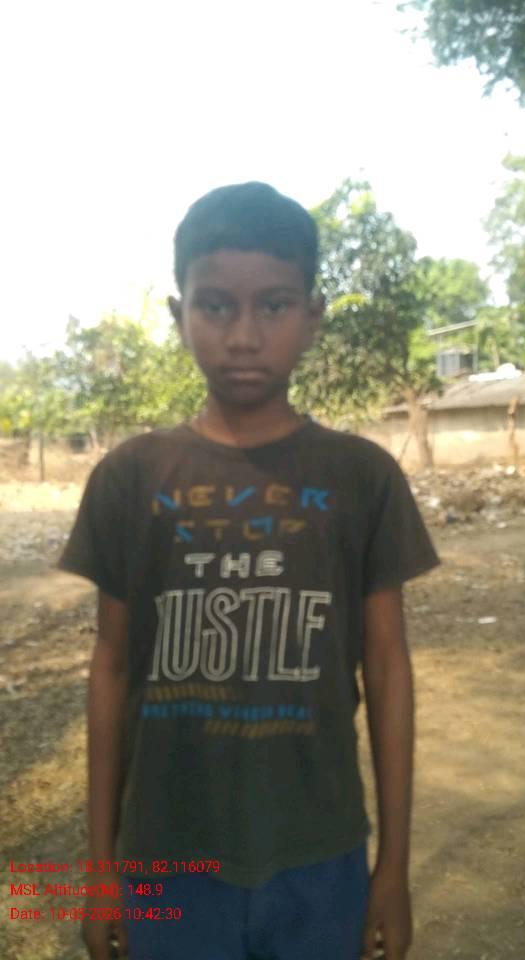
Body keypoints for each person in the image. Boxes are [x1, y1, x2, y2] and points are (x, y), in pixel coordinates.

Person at [58, 181, 440, 960]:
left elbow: (387, 667)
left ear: (313, 315)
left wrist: (394, 867)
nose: (243, 335)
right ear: (179, 315)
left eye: (273, 305)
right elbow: (112, 667)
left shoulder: (361, 477)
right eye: (215, 306)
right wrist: (101, 870)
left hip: (319, 852)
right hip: (167, 852)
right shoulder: (131, 477)